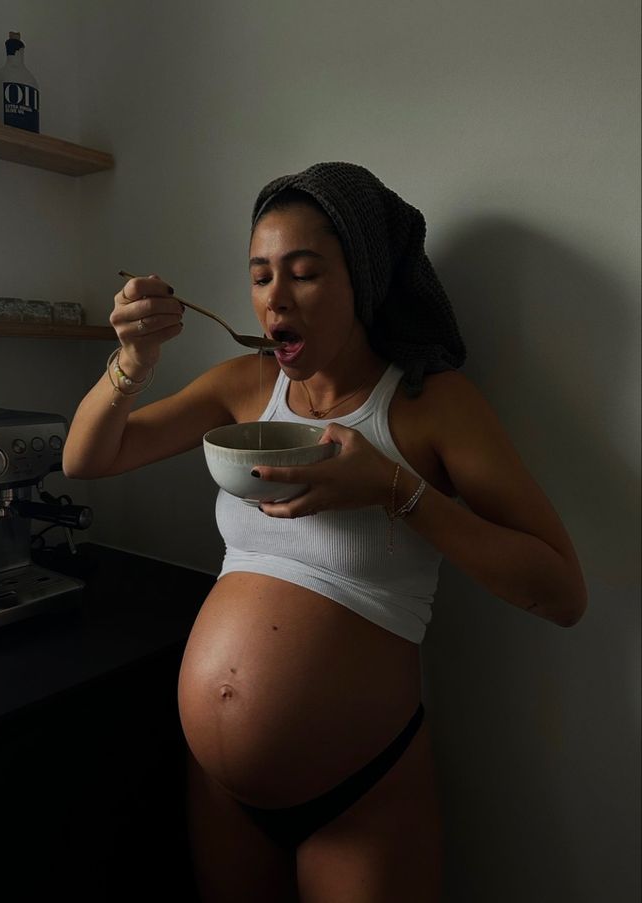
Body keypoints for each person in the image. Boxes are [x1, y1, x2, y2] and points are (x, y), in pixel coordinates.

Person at [63, 162, 587, 903]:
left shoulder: (429, 404)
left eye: (304, 273)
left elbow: (562, 590)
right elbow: (88, 457)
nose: (275, 295)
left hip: (361, 794)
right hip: (220, 792)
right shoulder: (245, 385)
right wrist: (132, 360)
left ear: (363, 280)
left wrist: (392, 488)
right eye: (261, 275)